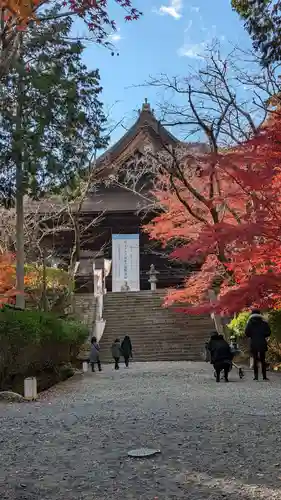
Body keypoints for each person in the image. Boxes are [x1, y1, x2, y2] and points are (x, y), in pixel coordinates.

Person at [245, 309, 271, 381]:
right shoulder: (264, 323)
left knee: (255, 359)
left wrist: (252, 335)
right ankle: (264, 376)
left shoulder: (249, 323)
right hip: (262, 342)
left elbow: (246, 333)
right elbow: (268, 332)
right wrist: (262, 335)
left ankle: (256, 377)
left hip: (253, 342)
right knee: (263, 360)